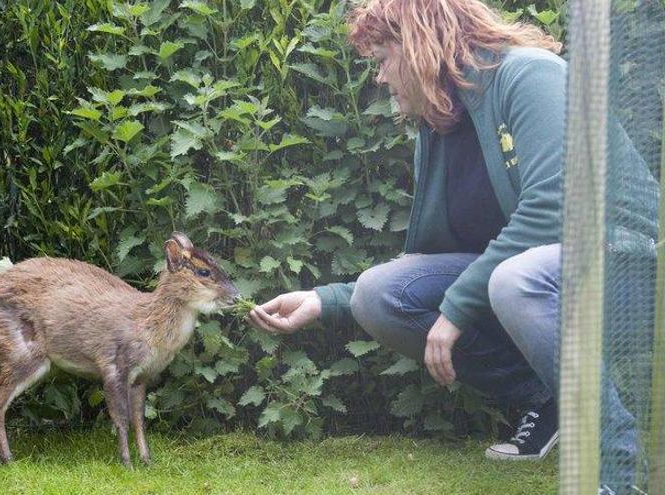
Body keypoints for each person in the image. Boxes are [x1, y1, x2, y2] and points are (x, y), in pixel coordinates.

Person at [246, 0, 657, 493]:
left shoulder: (531, 75)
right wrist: (326, 299)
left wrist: (459, 308)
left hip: (627, 263)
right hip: (535, 278)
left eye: (381, 58)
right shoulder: (441, 124)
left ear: (418, 45)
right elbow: (438, 262)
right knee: (379, 294)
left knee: (515, 279)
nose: (378, 78)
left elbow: (556, 211)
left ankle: (618, 460)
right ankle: (548, 399)